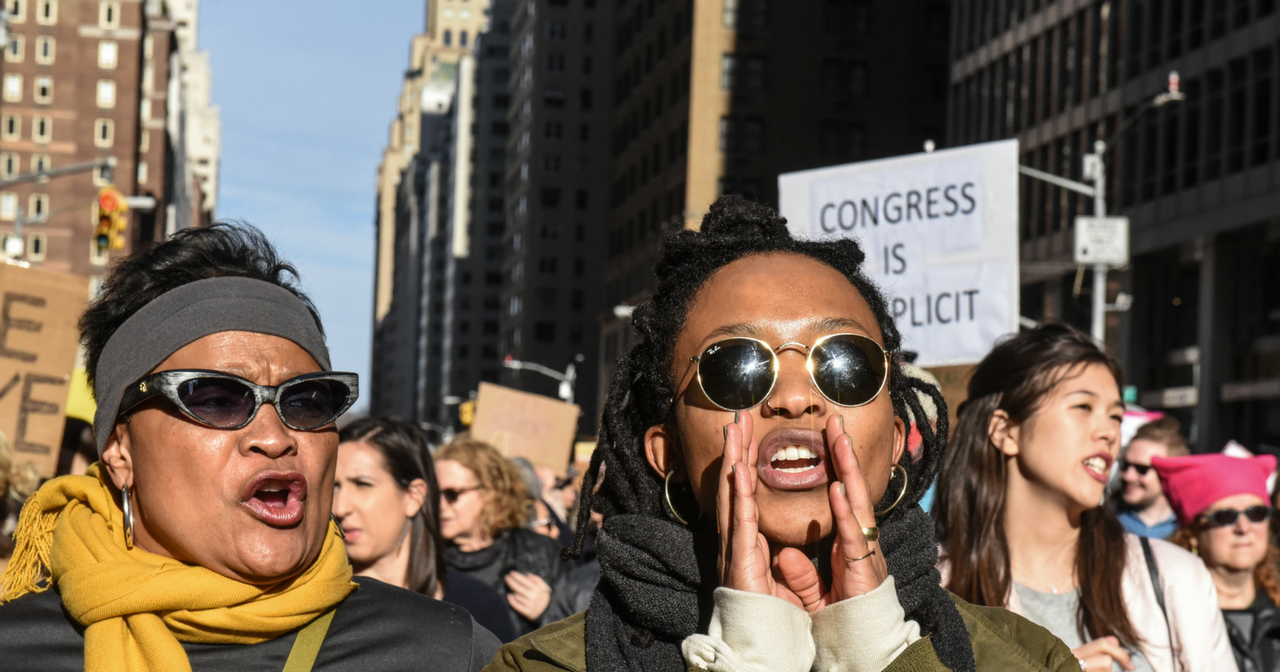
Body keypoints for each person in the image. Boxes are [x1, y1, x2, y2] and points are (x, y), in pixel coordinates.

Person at [489, 196, 1081, 672]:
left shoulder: (1032, 659)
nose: (796, 398)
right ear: (664, 452)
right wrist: (751, 655)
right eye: (737, 368)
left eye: (843, 363)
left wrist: (879, 653)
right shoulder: (533, 665)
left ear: (899, 439)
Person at [0, 224, 498, 671]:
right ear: (119, 450)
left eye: (305, 401)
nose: (275, 437)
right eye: (215, 399)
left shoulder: (448, 653)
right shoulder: (19, 648)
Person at [935, 322, 1236, 672]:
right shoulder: (929, 585)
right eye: (1083, 407)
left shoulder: (1176, 578)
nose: (1109, 431)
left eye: (1115, 415)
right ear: (1005, 431)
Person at [333, 417, 516, 642]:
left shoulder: (478, 608)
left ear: (413, 496)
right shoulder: (312, 603)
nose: (340, 507)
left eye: (363, 484)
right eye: (335, 486)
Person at [1156, 453, 1280, 672]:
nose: (1244, 528)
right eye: (1225, 516)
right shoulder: (1167, 620)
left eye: (1257, 513)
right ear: (1193, 533)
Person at [436, 438, 566, 637]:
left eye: (452, 494)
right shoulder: (423, 556)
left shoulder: (542, 551)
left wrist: (548, 612)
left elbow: (579, 638)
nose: (440, 505)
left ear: (491, 491)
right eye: (435, 494)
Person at [1116, 418, 1189, 539]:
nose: (1128, 476)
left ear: (1170, 473)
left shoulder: (1190, 531)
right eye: (1125, 465)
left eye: (1142, 469)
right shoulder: (1101, 521)